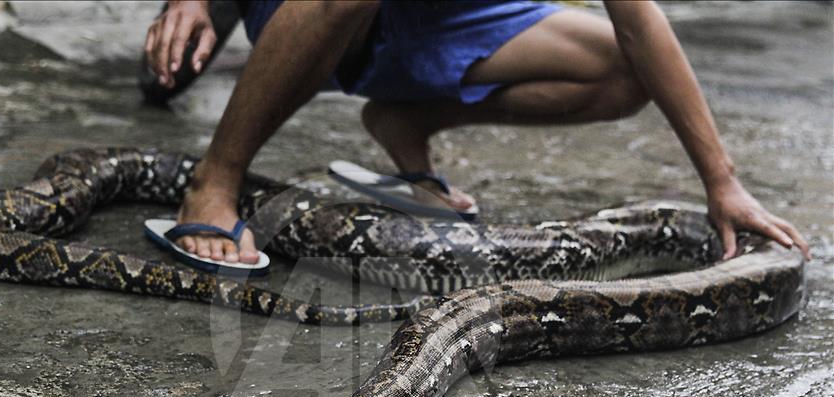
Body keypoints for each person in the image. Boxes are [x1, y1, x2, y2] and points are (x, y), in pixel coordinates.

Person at [143, 0, 810, 268]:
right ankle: (217, 178)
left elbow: (642, 22)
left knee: (624, 70)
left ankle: (408, 119)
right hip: (317, 11)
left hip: (446, 21)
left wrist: (721, 182)